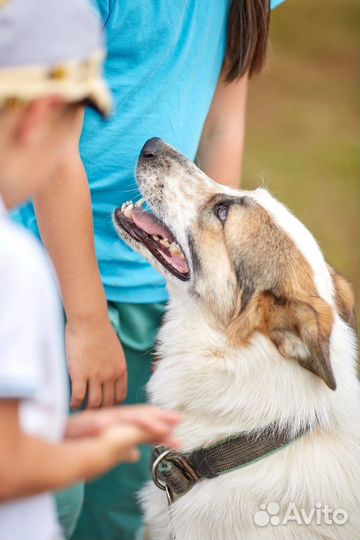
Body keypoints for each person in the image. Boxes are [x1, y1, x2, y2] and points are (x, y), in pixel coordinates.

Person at [12, 0, 285, 539]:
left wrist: (199, 289)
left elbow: (221, 125)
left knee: (127, 507)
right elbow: (54, 142)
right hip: (56, 284)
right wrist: (87, 322)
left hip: (160, 287)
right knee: (50, 505)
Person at [0, 1, 180, 539]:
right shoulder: (14, 264)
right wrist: (95, 453)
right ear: (39, 116)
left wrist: (68, 432)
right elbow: (9, 469)